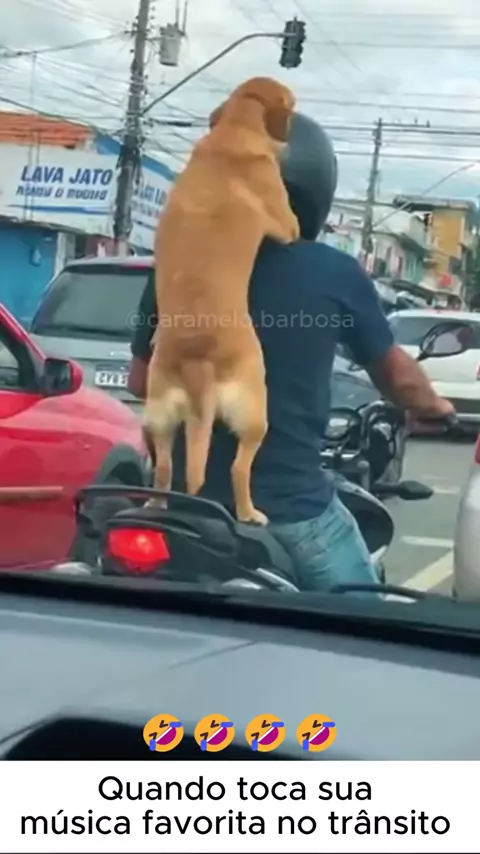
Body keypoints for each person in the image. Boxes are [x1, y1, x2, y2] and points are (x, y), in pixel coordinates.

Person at [128, 113, 455, 593]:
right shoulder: (334, 271)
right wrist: (436, 407)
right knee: (366, 620)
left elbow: (140, 381)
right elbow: (398, 378)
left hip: (181, 509)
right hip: (287, 511)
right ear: (314, 190)